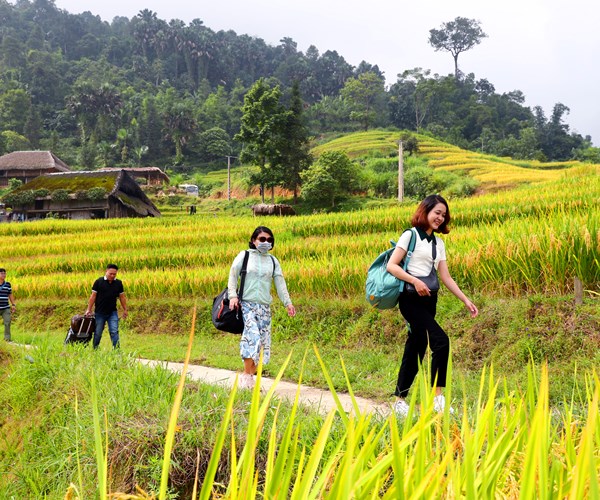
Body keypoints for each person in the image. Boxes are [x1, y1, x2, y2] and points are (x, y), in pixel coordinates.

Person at [386, 195, 478, 416]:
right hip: (410, 299)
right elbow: (392, 266)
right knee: (440, 340)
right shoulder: (410, 235)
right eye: (437, 212)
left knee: (416, 347)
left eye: (443, 215)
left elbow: (445, 277)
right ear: (425, 211)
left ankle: (399, 400)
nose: (440, 217)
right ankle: (438, 398)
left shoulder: (439, 243)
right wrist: (415, 281)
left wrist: (465, 299)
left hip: (429, 301)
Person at [228, 226, 296, 390]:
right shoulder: (244, 256)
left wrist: (288, 302)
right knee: (252, 336)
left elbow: (280, 283)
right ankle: (246, 376)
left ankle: (251, 377)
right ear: (253, 240)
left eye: (269, 240)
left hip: (264, 307)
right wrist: (233, 296)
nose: (266, 242)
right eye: (262, 239)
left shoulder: (273, 261)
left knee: (262, 343)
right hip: (246, 304)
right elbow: (233, 275)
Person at [85, 264, 128, 349]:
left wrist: (125, 309)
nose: (112, 276)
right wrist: (88, 309)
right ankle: (95, 349)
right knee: (98, 332)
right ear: (106, 271)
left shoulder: (118, 283)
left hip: (112, 312)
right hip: (100, 312)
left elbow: (122, 297)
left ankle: (116, 351)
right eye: (110, 273)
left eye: (114, 274)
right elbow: (93, 296)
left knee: (114, 331)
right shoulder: (99, 282)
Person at [0, 268, 16, 342]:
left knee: (7, 322)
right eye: (2, 273)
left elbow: (10, 294)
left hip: (5, 307)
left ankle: (7, 339)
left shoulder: (8, 284)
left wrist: (13, 304)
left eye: (4, 273)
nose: (4, 275)